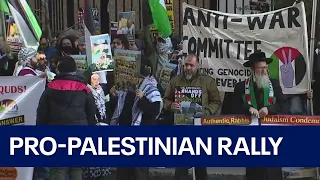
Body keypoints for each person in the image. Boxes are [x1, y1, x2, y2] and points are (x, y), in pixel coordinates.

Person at [36, 56, 96, 180]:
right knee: (76, 168)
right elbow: (91, 113)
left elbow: (42, 113)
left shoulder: (50, 88)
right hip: (80, 132)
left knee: (58, 168)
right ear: (75, 69)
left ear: (59, 69)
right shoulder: (85, 89)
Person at [163, 54, 221, 180]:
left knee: (200, 165)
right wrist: (170, 105)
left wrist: (206, 112)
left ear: (198, 65)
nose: (188, 68)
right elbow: (165, 100)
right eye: (186, 65)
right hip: (181, 128)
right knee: (181, 166)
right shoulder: (175, 81)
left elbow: (216, 102)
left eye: (191, 65)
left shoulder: (207, 81)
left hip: (200, 128)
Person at [232, 51, 287, 180]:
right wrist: (248, 108)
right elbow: (232, 107)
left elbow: (284, 106)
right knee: (254, 172)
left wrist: (269, 109)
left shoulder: (274, 84)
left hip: (272, 137)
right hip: (251, 137)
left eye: (265, 68)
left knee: (272, 172)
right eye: (260, 68)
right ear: (252, 69)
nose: (264, 71)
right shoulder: (241, 87)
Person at [109, 60, 162, 180]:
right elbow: (118, 110)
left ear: (140, 78)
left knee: (139, 172)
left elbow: (155, 111)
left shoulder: (151, 90)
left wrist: (143, 99)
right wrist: (114, 97)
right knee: (123, 172)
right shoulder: (126, 90)